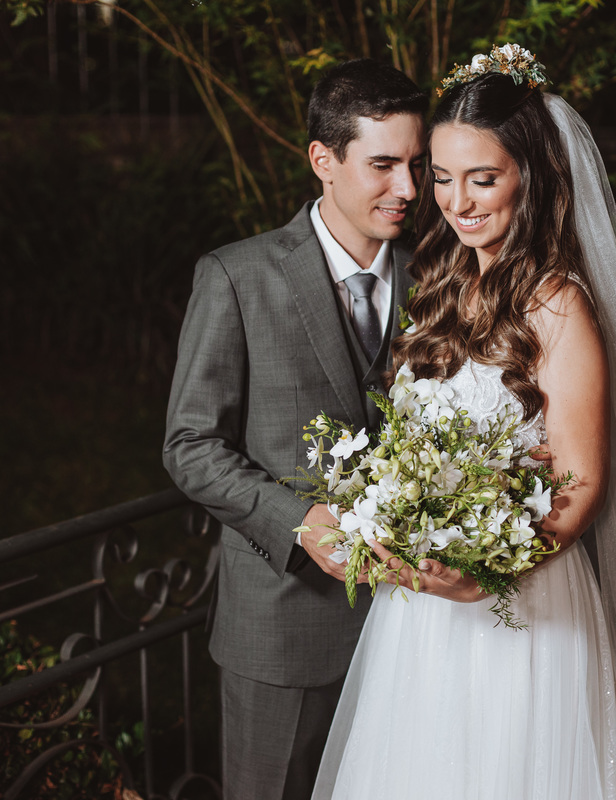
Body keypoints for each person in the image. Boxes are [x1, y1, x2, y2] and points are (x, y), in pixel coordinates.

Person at [312, 47, 616, 799]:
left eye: (483, 178)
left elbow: (584, 478)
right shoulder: (442, 284)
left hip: (519, 612)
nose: (457, 201)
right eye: (441, 178)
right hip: (422, 619)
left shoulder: (559, 304)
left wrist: (487, 569)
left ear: (529, 178)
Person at [163, 59, 471, 799]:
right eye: (384, 165)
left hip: (419, 634)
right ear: (323, 161)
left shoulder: (446, 280)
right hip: (282, 632)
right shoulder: (236, 277)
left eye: (417, 166)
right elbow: (190, 446)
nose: (407, 189)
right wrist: (300, 522)